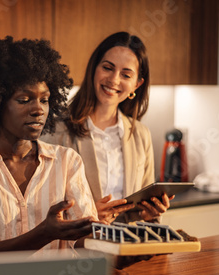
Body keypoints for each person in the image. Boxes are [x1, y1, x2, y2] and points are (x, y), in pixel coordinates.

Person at [0, 36, 134, 257]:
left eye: (44, 100)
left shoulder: (67, 161)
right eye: (24, 100)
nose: (38, 110)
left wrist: (125, 248)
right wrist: (45, 232)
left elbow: (83, 241)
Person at [42, 32, 173, 223]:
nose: (113, 79)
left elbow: (141, 208)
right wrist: (87, 214)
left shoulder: (140, 134)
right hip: (80, 249)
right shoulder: (56, 129)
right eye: (107, 68)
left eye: (126, 74)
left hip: (126, 247)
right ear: (94, 69)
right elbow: (40, 208)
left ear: (137, 84)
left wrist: (148, 213)